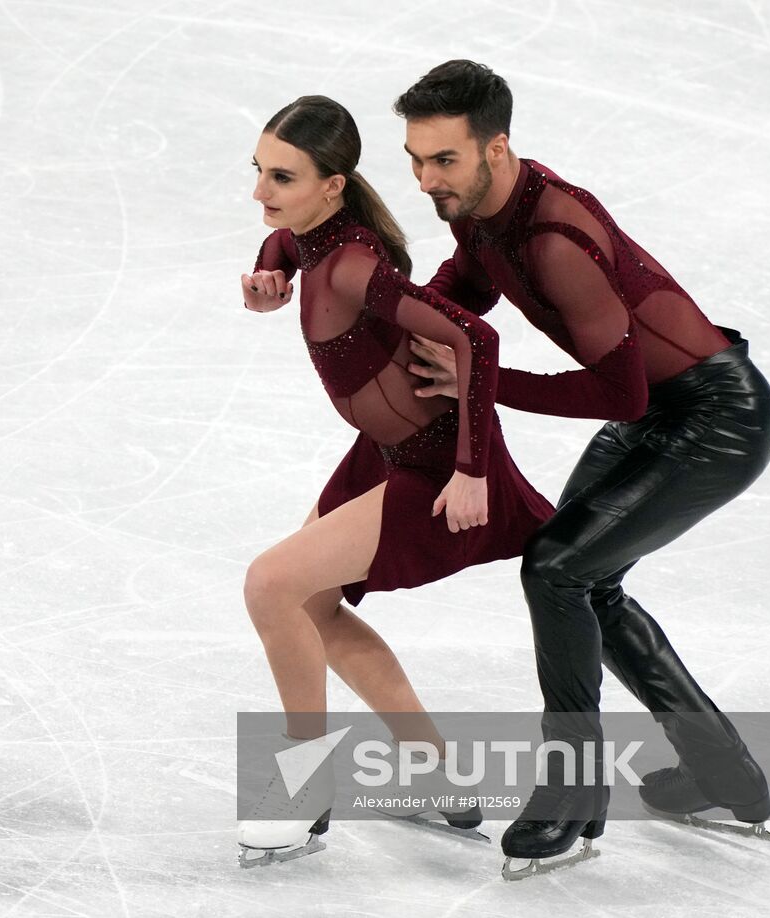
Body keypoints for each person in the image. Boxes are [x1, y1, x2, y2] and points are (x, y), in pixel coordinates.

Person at [391, 60, 770, 878]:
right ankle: (721, 773)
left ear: (496, 148)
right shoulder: (483, 211)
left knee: (558, 570)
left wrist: (477, 379)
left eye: (444, 160)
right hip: (657, 412)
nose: (426, 180)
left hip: (717, 419)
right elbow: (465, 285)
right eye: (416, 160)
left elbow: (617, 391)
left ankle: (572, 789)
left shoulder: (555, 239)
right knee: (584, 581)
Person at [234, 95, 554, 868]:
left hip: (440, 468)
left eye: (282, 177)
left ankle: (304, 789)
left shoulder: (353, 265)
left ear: (333, 186)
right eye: (259, 170)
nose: (261, 191)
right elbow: (283, 238)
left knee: (272, 586)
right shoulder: (312, 233)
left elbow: (475, 336)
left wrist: (473, 471)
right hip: (384, 451)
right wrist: (271, 272)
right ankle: (441, 777)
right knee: (309, 606)